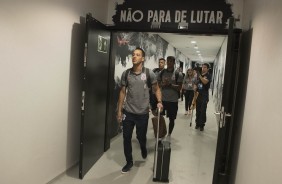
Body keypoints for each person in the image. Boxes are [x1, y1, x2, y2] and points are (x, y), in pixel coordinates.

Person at [117, 47, 163, 174]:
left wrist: (159, 101)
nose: (134, 56)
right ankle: (129, 161)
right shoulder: (126, 74)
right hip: (128, 112)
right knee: (126, 137)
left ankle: (143, 146)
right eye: (133, 54)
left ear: (142, 58)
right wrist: (119, 110)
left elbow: (157, 89)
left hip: (142, 113)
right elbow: (122, 92)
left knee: (140, 136)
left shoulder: (149, 73)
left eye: (137, 55)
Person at [158, 56, 183, 136]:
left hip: (173, 101)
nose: (169, 63)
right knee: (160, 118)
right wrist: (164, 84)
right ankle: (161, 133)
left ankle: (169, 134)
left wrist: (170, 85)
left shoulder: (178, 74)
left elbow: (179, 88)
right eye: (168, 61)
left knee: (172, 119)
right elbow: (158, 85)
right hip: (163, 99)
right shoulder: (161, 73)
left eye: (171, 61)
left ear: (174, 63)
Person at [194, 63, 211, 131]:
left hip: (204, 95)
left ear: (207, 68)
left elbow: (205, 82)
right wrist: (195, 87)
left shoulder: (208, 75)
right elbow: (197, 83)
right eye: (202, 67)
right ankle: (197, 123)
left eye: (205, 67)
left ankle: (202, 125)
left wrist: (200, 76)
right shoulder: (199, 76)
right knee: (198, 110)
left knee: (203, 110)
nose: (203, 68)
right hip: (198, 95)